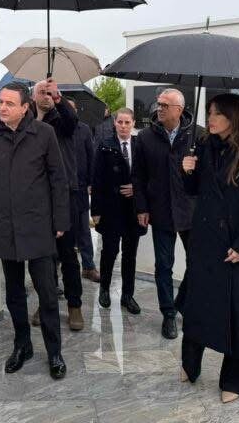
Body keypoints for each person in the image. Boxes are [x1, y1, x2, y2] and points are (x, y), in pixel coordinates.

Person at [0, 82, 68, 379]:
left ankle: (54, 352)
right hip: (4, 225)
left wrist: (60, 221)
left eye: (9, 103)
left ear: (25, 107)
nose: (2, 107)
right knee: (14, 292)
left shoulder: (44, 134)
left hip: (38, 225)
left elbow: (58, 179)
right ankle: (22, 345)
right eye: (0, 102)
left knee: (47, 294)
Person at [179, 92, 239, 404]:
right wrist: (187, 170)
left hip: (236, 247)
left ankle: (234, 380)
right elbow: (194, 190)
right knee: (198, 305)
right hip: (204, 243)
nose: (210, 119)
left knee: (238, 314)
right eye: (209, 113)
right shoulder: (204, 145)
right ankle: (189, 365)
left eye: (216, 113)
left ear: (233, 116)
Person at [132, 88, 196, 339]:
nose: (159, 108)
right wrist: (141, 207)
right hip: (160, 211)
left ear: (179, 110)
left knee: (198, 262)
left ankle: (183, 302)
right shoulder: (145, 137)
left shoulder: (197, 135)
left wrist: (192, 169)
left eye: (164, 105)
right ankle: (169, 313)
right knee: (163, 266)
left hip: (190, 211)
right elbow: (138, 176)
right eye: (158, 104)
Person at [31, 79, 85, 331]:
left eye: (49, 92)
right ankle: (47, 302)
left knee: (67, 254)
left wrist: (59, 99)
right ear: (33, 97)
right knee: (44, 256)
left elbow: (73, 121)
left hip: (65, 195)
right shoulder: (28, 121)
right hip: (38, 196)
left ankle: (75, 305)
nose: (46, 96)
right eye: (42, 92)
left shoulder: (61, 120)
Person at [91, 107, 146, 314]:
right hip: (111, 209)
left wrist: (136, 189)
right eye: (120, 122)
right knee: (109, 252)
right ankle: (104, 289)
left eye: (127, 122)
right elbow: (97, 179)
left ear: (133, 124)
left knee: (130, 255)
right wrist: (96, 210)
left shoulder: (140, 145)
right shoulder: (105, 146)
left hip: (133, 210)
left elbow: (148, 176)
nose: (123, 126)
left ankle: (127, 295)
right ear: (114, 123)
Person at [68, 99, 99, 283]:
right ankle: (58, 267)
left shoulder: (84, 129)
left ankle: (88, 267)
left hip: (80, 188)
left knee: (83, 231)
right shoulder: (55, 128)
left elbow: (91, 156)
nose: (69, 111)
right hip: (61, 190)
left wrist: (91, 182)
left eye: (72, 108)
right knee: (62, 232)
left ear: (76, 111)